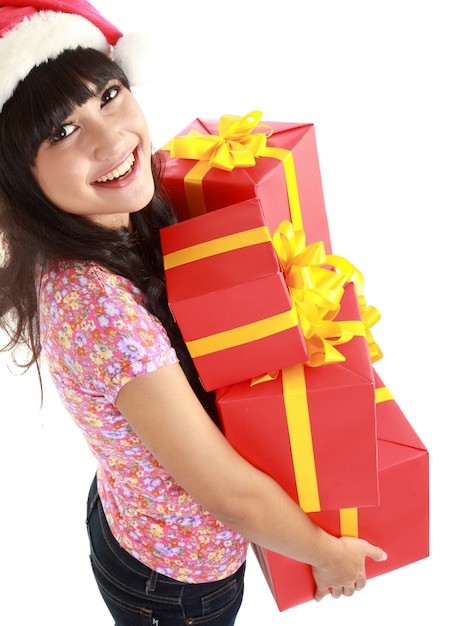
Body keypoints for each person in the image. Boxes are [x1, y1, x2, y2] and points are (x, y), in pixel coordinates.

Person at [0, 1, 387, 624]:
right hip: (176, 579)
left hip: (129, 510)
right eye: (61, 132)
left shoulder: (112, 217)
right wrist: (325, 554)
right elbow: (230, 498)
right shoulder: (98, 310)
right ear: (19, 175)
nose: (110, 139)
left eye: (108, 95)